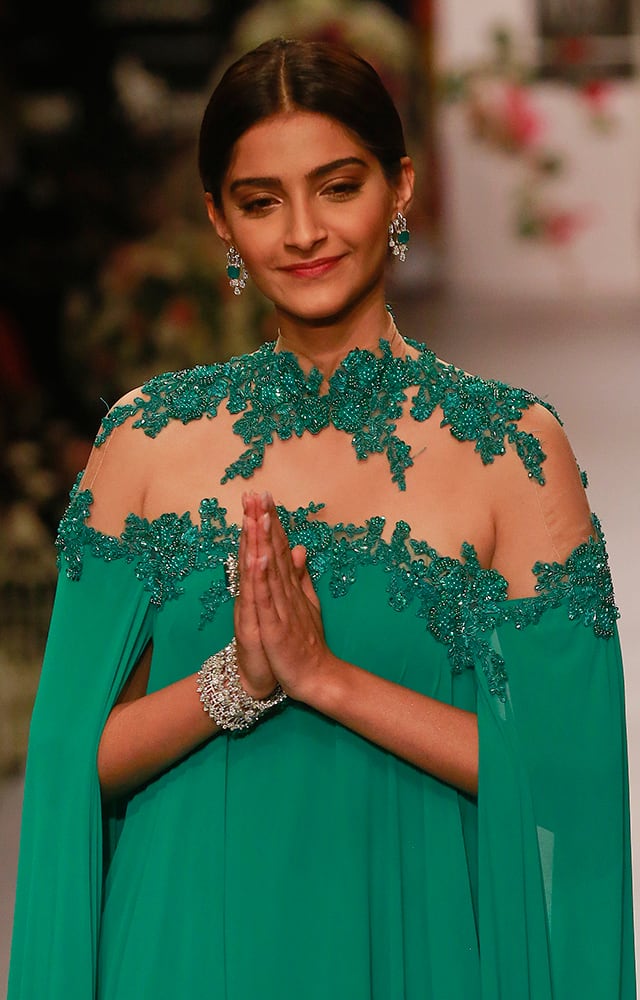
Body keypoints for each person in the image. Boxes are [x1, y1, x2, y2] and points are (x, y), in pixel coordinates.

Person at [8, 36, 635, 999]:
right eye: (262, 201)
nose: (303, 231)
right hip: (180, 948)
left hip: (418, 949)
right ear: (220, 219)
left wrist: (328, 681)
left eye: (337, 186)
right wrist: (239, 677)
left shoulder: (512, 450)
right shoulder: (146, 440)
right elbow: (70, 767)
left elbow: (568, 780)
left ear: (401, 188)